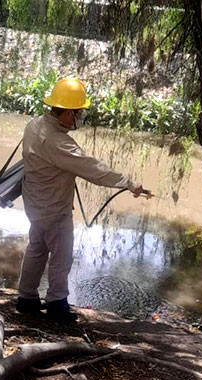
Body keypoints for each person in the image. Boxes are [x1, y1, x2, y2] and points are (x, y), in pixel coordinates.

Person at [16, 77, 146, 323]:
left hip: (34, 204)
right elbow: (93, 169)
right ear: (66, 114)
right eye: (79, 113)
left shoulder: (34, 125)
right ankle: (57, 305)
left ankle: (26, 298)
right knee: (61, 255)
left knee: (37, 247)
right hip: (53, 209)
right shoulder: (59, 143)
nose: (80, 118)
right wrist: (128, 183)